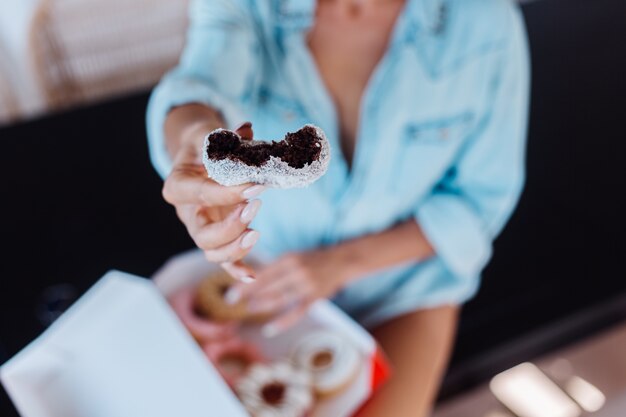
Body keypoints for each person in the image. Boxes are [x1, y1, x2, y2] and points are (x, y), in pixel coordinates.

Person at [146, 0, 530, 415]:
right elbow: (201, 85)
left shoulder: (485, 23)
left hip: (403, 288)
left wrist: (341, 263)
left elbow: (479, 200)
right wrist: (194, 139)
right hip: (266, 271)